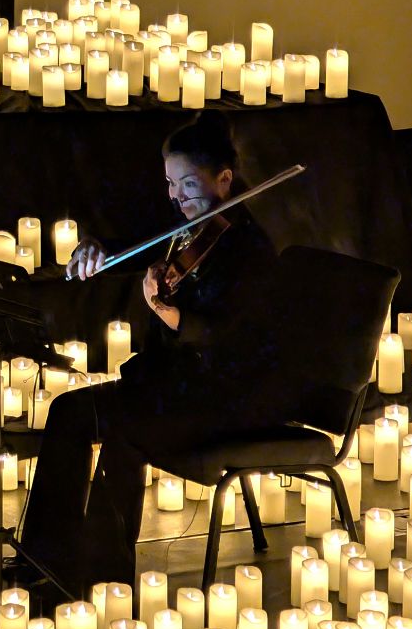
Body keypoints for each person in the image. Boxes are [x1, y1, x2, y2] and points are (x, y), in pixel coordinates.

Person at [20, 112, 283, 592]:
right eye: (169, 183)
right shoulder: (190, 230)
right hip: (171, 389)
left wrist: (163, 310)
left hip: (225, 400)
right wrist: (96, 248)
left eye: (187, 183)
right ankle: (45, 564)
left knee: (125, 428)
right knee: (70, 411)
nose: (175, 197)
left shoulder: (250, 251)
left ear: (224, 179)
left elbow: (229, 340)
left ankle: (104, 582)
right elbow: (142, 248)